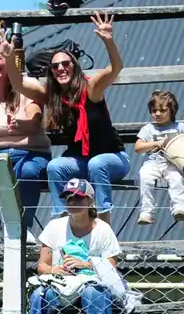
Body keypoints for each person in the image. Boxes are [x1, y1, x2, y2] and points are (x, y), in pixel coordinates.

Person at [36, 14, 128, 223]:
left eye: (65, 63)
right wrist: (11, 57)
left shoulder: (92, 89)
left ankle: (103, 226)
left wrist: (108, 40)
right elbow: (20, 85)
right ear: (51, 72)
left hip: (113, 158)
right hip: (82, 161)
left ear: (74, 66)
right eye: (55, 66)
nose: (60, 68)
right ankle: (61, 223)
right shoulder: (55, 97)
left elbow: (116, 68)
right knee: (55, 167)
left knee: (97, 164)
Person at [28, 179, 122, 314]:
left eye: (78, 198)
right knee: (38, 295)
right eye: (68, 198)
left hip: (89, 284)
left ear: (90, 201)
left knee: (96, 293)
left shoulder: (103, 229)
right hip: (60, 284)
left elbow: (111, 266)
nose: (72, 202)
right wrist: (55, 269)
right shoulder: (55, 226)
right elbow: (42, 266)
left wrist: (86, 264)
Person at [0, 31, 50, 233]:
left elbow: (35, 122)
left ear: (9, 60)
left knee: (28, 172)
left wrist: (19, 124)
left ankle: (25, 227)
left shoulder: (28, 85)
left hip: (31, 152)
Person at [136, 90, 184, 224]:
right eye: (154, 110)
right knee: (144, 176)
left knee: (176, 178)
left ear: (172, 111)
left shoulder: (179, 127)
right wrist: (157, 143)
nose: (157, 114)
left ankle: (179, 207)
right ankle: (146, 211)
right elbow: (138, 147)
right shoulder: (148, 129)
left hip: (173, 163)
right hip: (154, 162)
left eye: (162, 110)